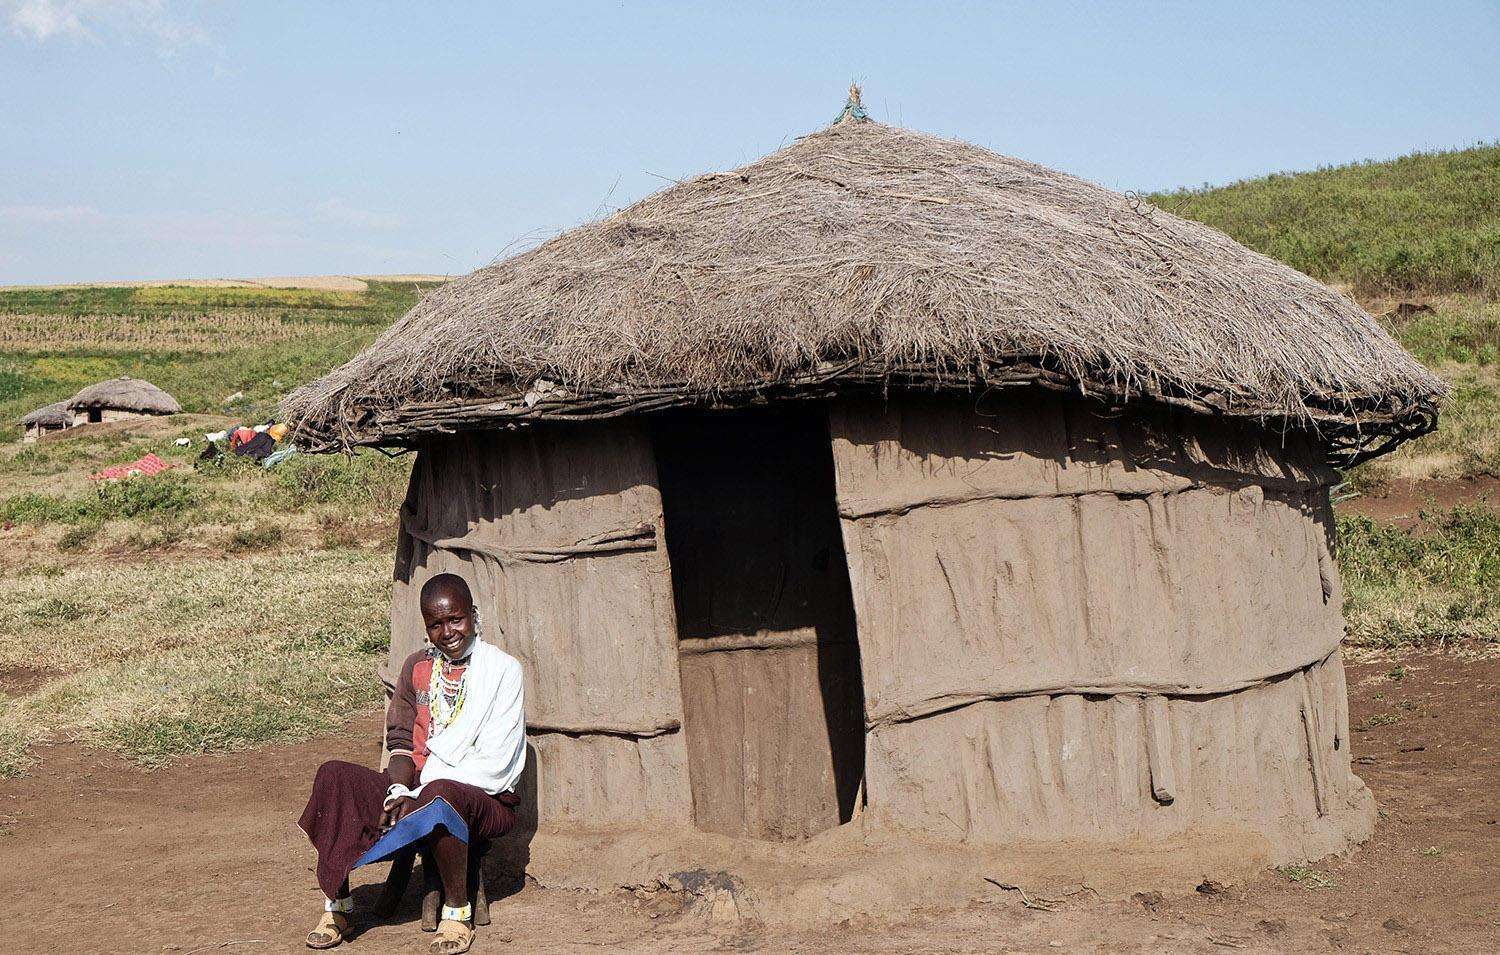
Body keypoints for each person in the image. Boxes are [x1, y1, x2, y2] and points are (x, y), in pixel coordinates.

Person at [298, 574, 526, 954]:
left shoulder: (503, 670)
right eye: (435, 624)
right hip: (413, 791)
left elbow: (498, 764)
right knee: (333, 775)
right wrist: (398, 791)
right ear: (426, 628)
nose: (447, 631)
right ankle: (337, 907)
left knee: (441, 793)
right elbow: (401, 743)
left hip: (484, 800)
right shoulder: (417, 668)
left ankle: (457, 916)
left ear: (473, 614)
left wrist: (418, 795)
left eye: (455, 619)